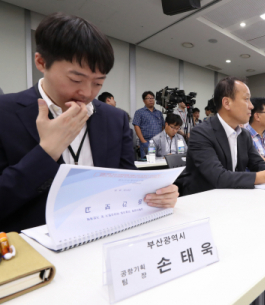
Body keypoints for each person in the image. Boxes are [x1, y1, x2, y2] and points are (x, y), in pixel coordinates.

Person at [0, 13, 178, 233]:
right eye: (75, 79)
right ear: (41, 62)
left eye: (98, 83)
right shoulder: (5, 113)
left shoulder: (115, 119)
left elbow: (128, 186)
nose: (86, 93)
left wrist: (157, 195)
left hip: (104, 240)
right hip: (35, 252)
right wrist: (46, 152)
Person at [177, 77, 265, 196]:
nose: (251, 106)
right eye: (246, 99)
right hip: (203, 200)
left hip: (232, 197)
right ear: (226, 103)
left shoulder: (243, 134)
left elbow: (257, 163)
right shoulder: (201, 133)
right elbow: (218, 177)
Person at [133, 91, 165, 160]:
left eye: (152, 98)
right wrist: (143, 141)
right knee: (147, 164)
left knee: (160, 162)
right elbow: (136, 126)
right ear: (144, 101)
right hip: (146, 141)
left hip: (158, 143)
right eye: (148, 98)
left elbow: (163, 126)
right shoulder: (139, 112)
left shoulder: (159, 113)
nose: (151, 100)